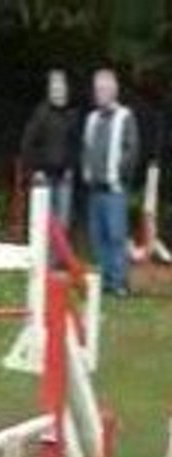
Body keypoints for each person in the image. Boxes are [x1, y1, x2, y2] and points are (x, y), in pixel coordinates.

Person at [82, 69, 141, 297]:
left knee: (116, 235)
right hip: (94, 188)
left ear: (114, 91)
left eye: (104, 89)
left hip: (115, 188)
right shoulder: (92, 118)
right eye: (97, 89)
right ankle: (105, 281)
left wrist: (118, 173)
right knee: (98, 236)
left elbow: (132, 149)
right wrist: (87, 172)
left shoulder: (125, 116)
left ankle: (119, 283)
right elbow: (86, 149)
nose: (100, 93)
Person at [21, 69, 80, 228]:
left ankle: (57, 253)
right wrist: (36, 169)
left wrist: (71, 167)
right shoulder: (41, 113)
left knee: (63, 221)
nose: (58, 93)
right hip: (43, 176)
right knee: (43, 222)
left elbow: (77, 144)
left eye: (61, 89)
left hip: (65, 177)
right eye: (54, 89)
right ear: (49, 91)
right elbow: (28, 143)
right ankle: (44, 253)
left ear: (67, 89)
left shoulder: (72, 114)